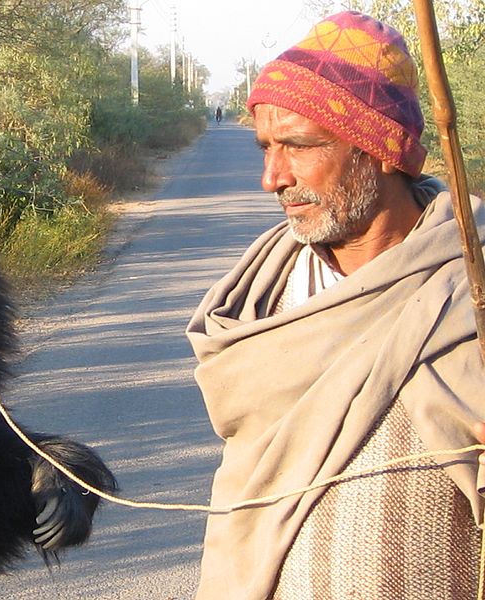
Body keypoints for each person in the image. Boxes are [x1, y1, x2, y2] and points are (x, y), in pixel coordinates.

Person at [186, 10, 485, 599]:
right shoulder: (260, 295)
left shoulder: (468, 283)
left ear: (379, 151)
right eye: (265, 148)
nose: (271, 178)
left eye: (297, 146)